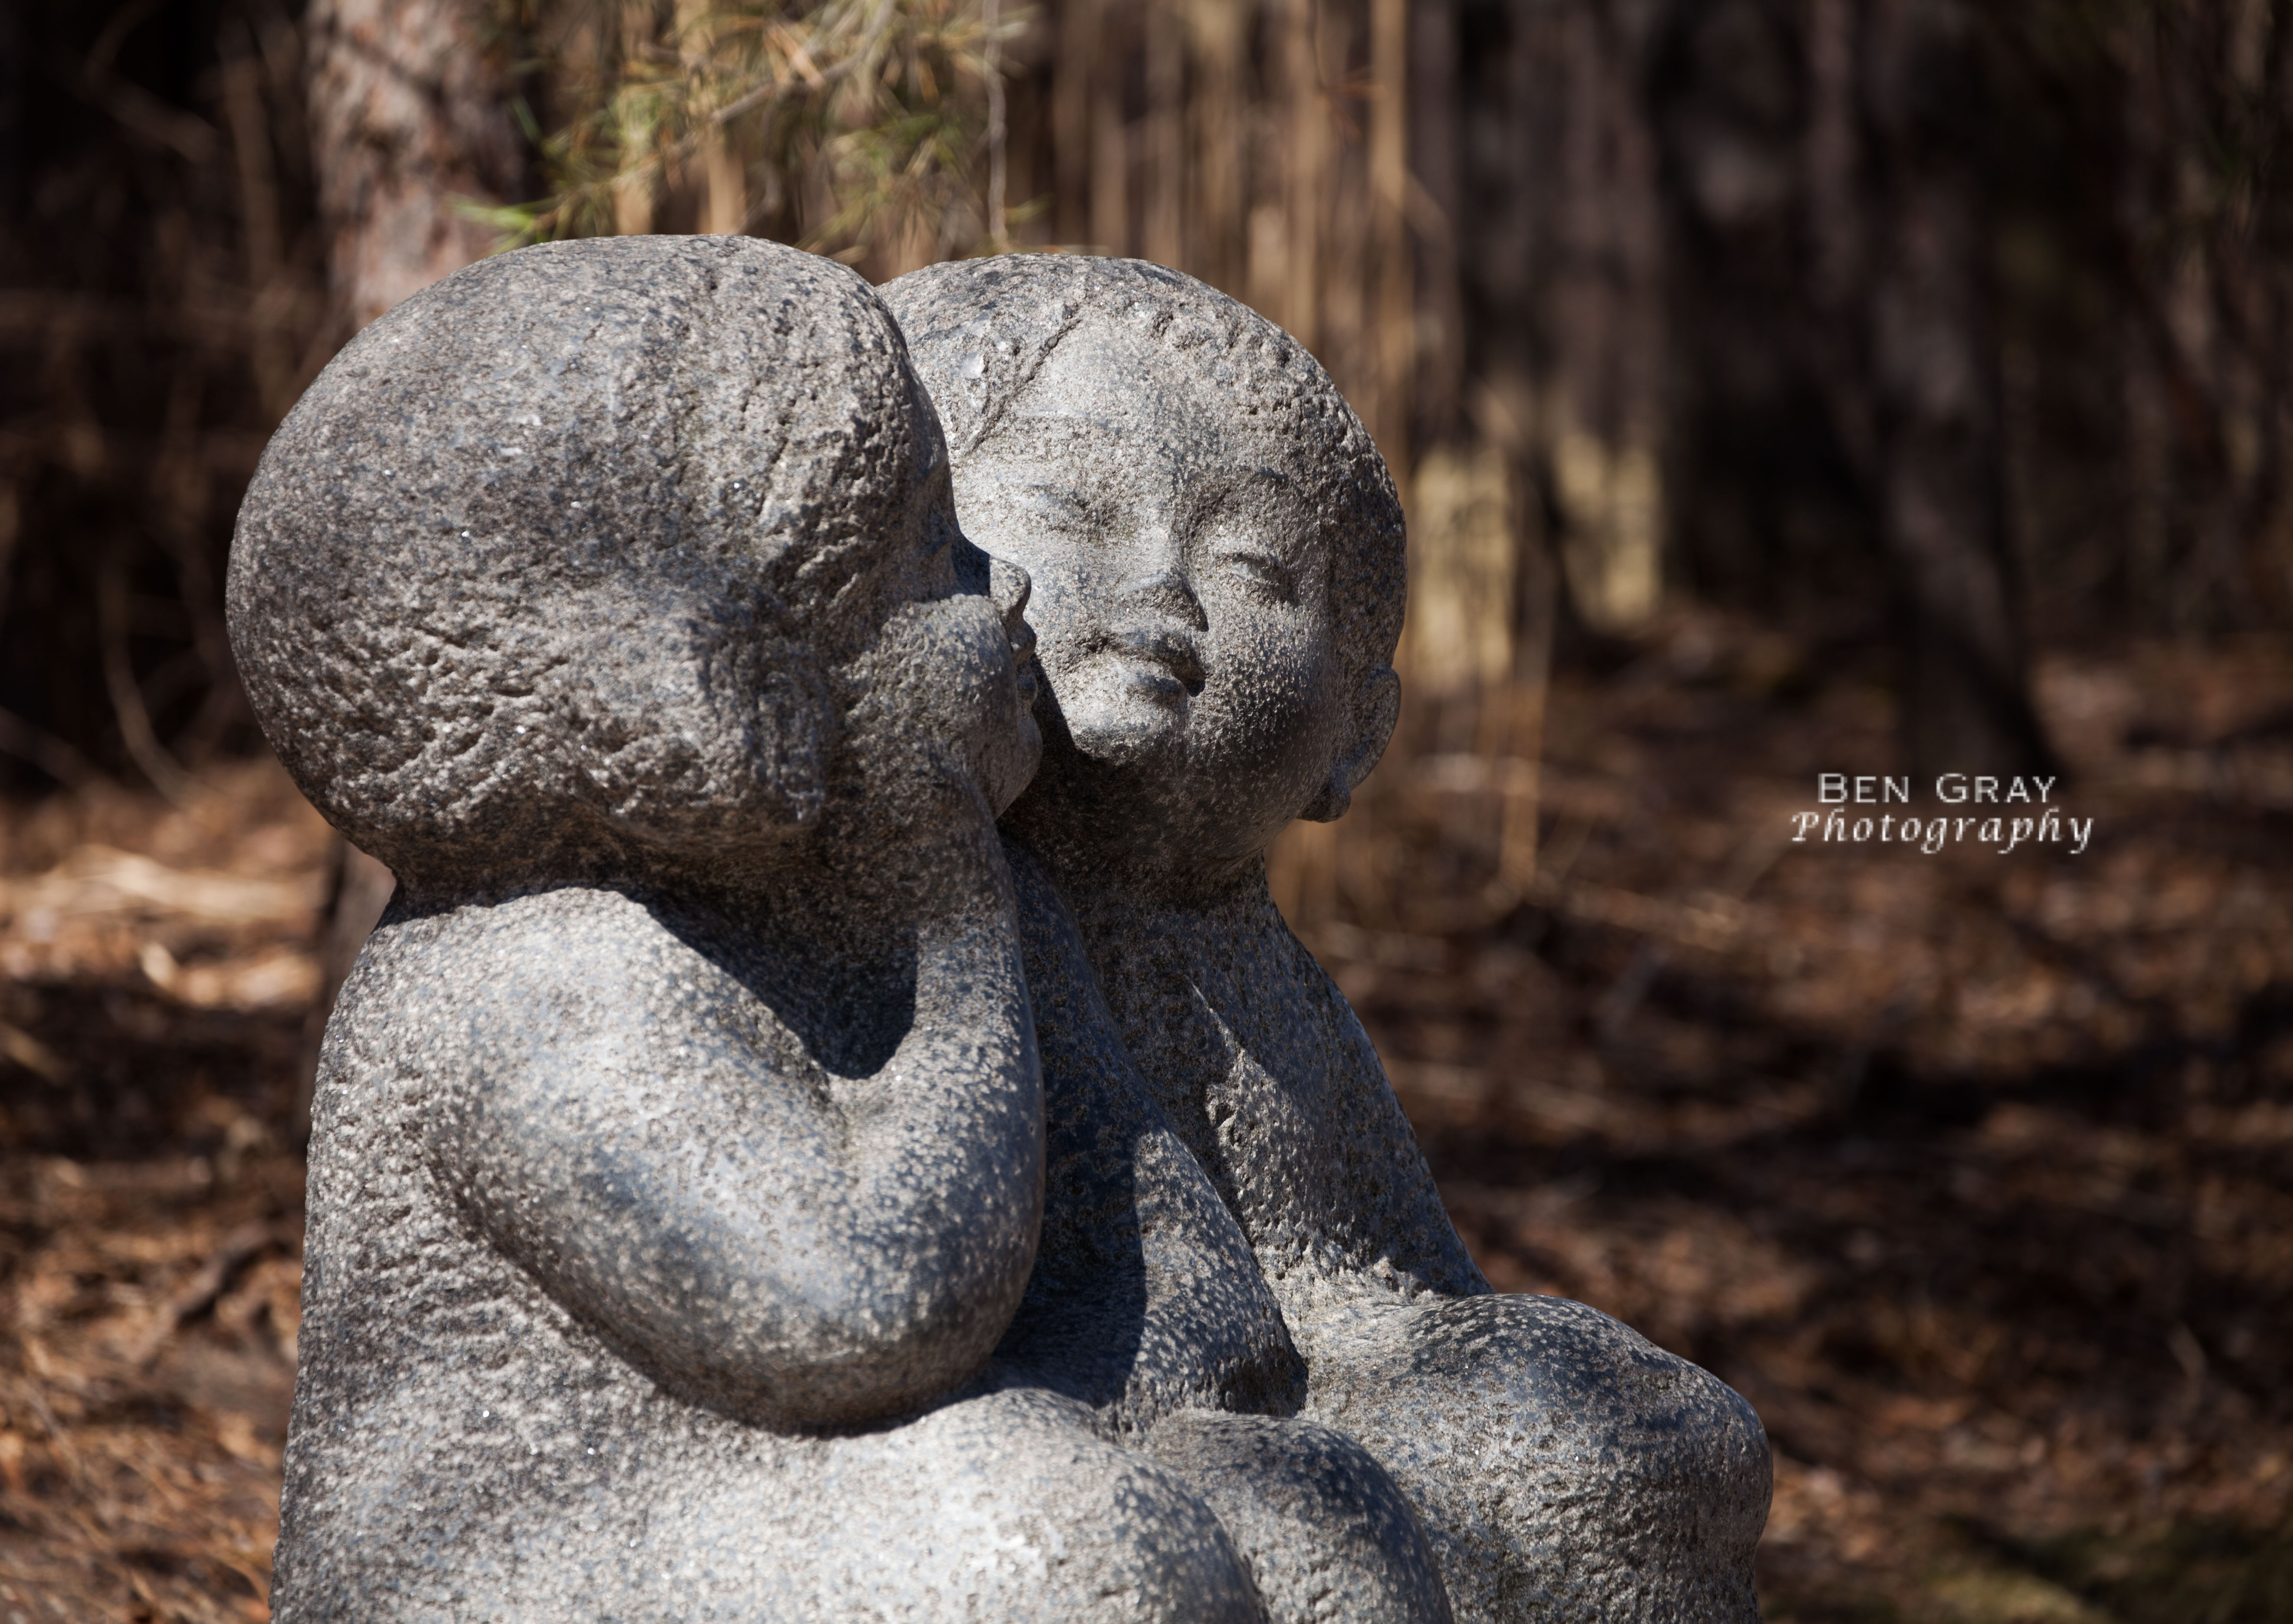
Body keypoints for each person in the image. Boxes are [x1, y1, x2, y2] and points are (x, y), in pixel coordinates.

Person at [233, 234, 1304, 1623]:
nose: (1004, 587)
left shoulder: (819, 914)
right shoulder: (533, 980)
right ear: (734, 661)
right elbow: (869, 1305)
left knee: (1297, 1519)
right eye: (933, 549)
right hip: (516, 1561)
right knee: (1068, 1549)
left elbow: (1176, 1271)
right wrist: (944, 872)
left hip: (762, 1496)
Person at [886, 254, 1772, 1624]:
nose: (1164, 591)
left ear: (1358, 734)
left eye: (1252, 569)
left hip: (1300, 1391)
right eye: (1072, 509)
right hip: (1058, 1437)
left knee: (1660, 1448)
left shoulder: (1263, 982)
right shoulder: (927, 913)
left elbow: (1392, 1284)